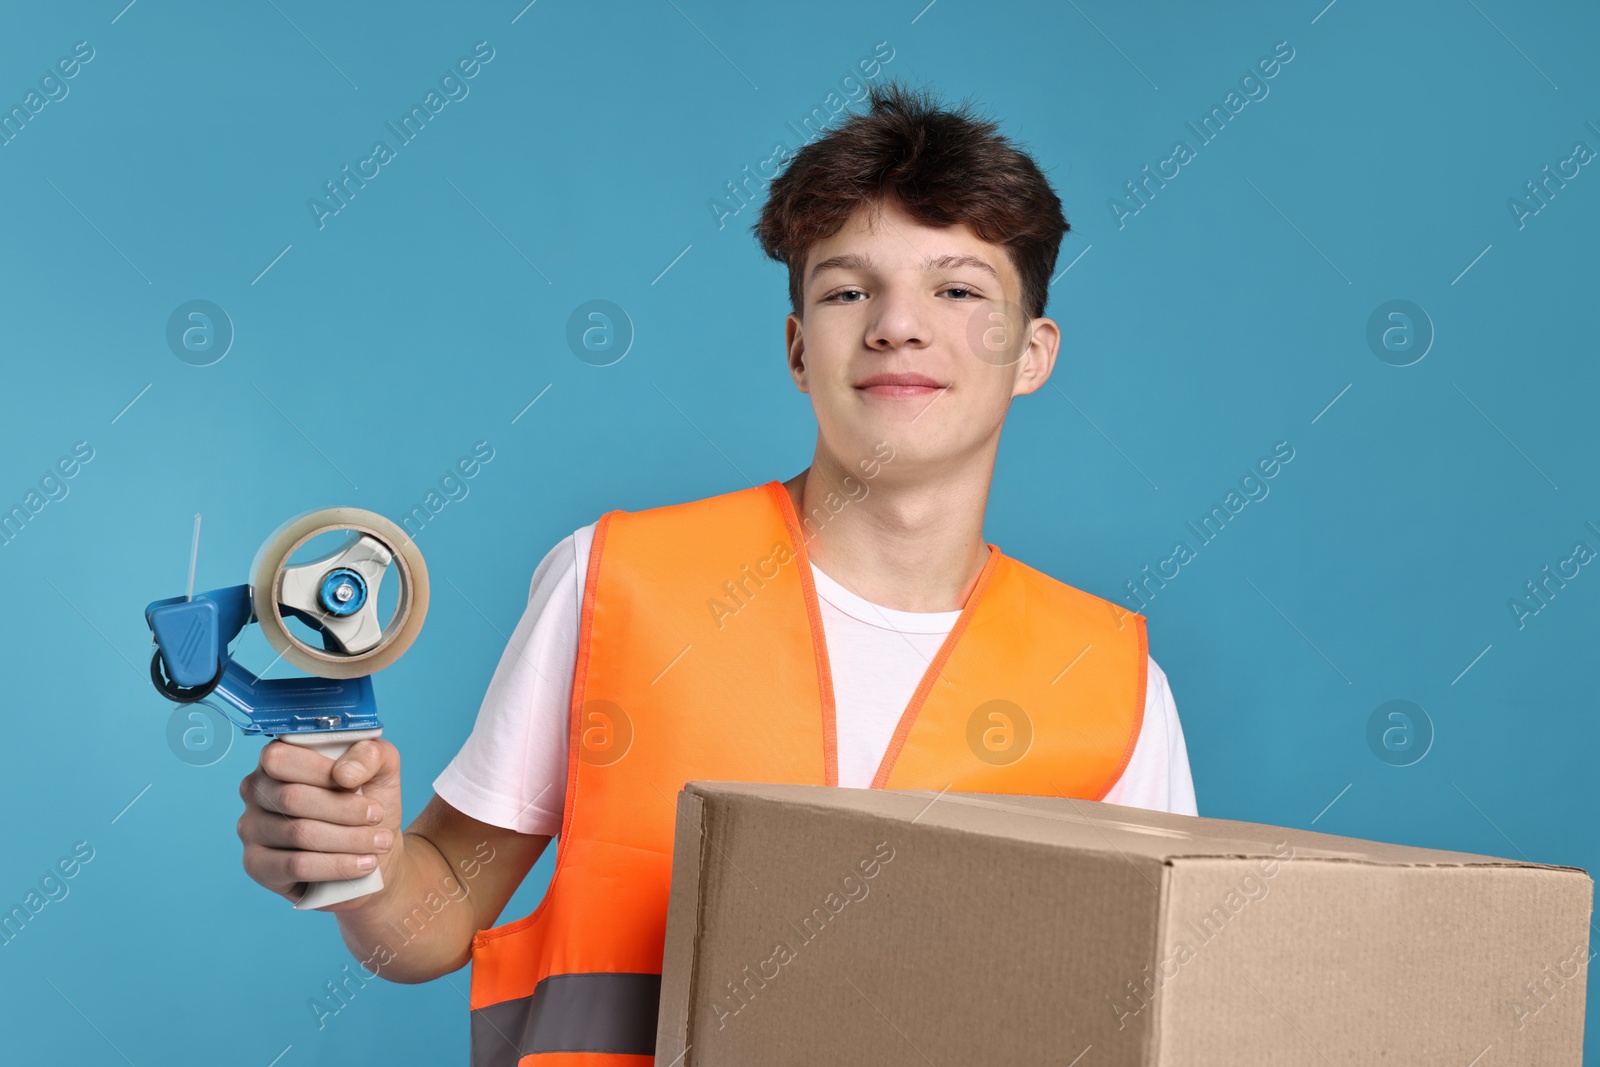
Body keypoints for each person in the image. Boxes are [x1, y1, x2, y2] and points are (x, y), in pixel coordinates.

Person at [236, 79, 1196, 1063]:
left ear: (1031, 352)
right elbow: (430, 913)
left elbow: (1153, 1010)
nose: (896, 324)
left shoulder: (1110, 686)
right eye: (846, 289)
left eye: (956, 289)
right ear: (796, 347)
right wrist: (356, 858)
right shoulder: (618, 581)